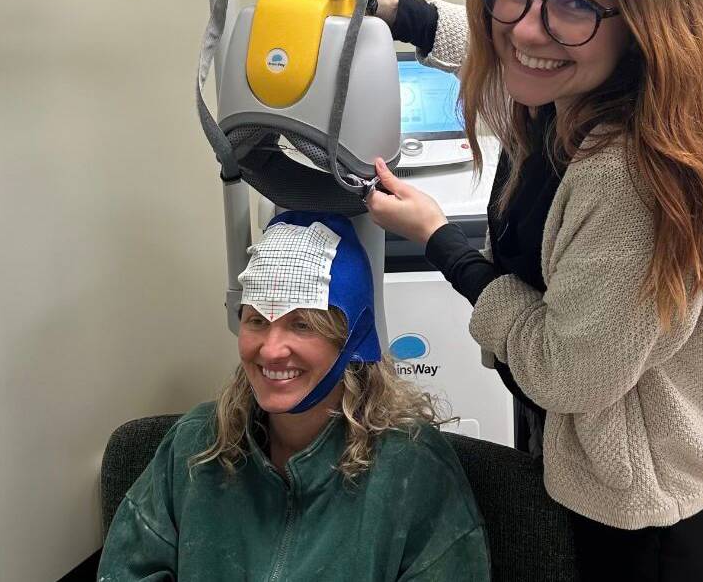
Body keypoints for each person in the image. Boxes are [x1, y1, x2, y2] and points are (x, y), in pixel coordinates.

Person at [364, 0, 703, 582]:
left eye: (576, 4)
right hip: (585, 462)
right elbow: (499, 50)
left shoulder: (632, 175)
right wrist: (394, 10)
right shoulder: (567, 94)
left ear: (646, 25)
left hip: (644, 510)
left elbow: (565, 372)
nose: (526, 27)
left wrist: (441, 242)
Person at [98, 211, 490, 582]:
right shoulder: (195, 444)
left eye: (301, 324)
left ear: (353, 340)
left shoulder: (413, 467)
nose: (270, 350)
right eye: (256, 321)